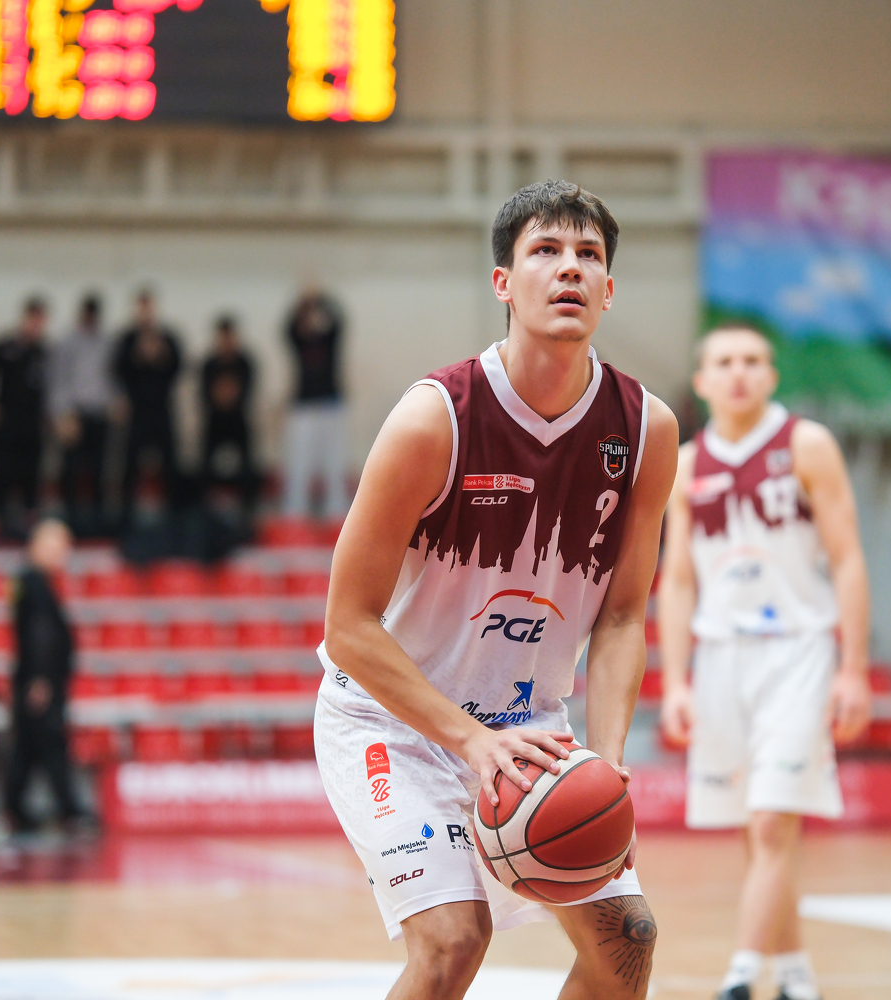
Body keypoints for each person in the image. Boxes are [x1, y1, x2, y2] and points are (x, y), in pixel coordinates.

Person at [317, 180, 677, 1000]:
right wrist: (470, 742)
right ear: (503, 283)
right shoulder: (433, 419)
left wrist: (607, 762)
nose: (570, 268)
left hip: (529, 732)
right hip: (394, 722)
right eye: (545, 251)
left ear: (609, 291)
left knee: (627, 942)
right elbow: (348, 627)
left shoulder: (645, 429)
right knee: (452, 943)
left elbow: (624, 615)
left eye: (588, 255)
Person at [656, 325, 872, 1000]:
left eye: (752, 361)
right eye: (724, 362)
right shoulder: (685, 464)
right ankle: (797, 974)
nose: (739, 372)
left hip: (798, 649)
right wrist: (675, 680)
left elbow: (848, 558)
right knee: (757, 832)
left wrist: (854, 667)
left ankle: (743, 975)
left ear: (772, 376)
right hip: (721, 655)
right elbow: (678, 579)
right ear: (702, 382)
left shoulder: (807, 445)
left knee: (774, 820)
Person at [4, 518, 85, 832]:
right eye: (60, 546)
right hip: (41, 681)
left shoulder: (32, 582)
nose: (64, 553)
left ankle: (15, 808)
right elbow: (39, 633)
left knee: (27, 746)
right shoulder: (35, 584)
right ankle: (68, 809)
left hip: (37, 679)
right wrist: (40, 678)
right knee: (50, 744)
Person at [111, 288, 183, 519]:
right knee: (130, 462)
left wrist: (160, 355)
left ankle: (173, 512)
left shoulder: (167, 337)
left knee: (170, 461)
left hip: (162, 407)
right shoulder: (126, 339)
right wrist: (138, 357)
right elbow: (117, 370)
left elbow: (178, 368)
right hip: (136, 409)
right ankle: (125, 513)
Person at [0, 297, 51, 539]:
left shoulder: (44, 352)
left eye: (39, 321)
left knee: (30, 476)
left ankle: (29, 524)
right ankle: (0, 524)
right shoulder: (6, 346)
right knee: (4, 473)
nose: (35, 325)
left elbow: (51, 389)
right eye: (32, 319)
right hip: (7, 423)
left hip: (33, 425)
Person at [50, 293, 116, 532]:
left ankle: (98, 520)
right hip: (74, 414)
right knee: (71, 469)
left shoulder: (107, 342)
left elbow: (112, 376)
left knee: (99, 469)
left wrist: (114, 401)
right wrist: (62, 414)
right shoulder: (67, 342)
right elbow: (58, 379)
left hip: (98, 412)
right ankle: (70, 519)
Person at [282, 286, 349, 519]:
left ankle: (336, 510)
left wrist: (320, 298)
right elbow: (287, 328)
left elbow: (339, 321)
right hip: (303, 408)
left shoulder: (328, 340)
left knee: (335, 461)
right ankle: (295, 510)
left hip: (331, 406)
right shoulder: (299, 342)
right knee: (298, 462)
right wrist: (302, 303)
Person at [200, 314, 256, 501]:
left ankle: (247, 503)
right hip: (215, 419)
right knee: (205, 463)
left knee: (247, 463)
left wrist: (229, 396)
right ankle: (205, 503)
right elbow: (204, 394)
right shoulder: (209, 364)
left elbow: (247, 392)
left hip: (237, 418)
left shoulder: (244, 362)